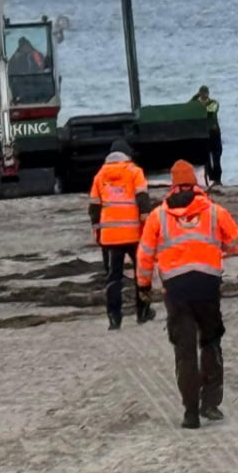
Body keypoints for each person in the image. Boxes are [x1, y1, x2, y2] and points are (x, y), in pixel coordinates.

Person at [137, 160, 238, 429]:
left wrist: (143, 286)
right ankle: (211, 404)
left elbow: (145, 255)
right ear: (195, 183)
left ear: (172, 185)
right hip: (207, 286)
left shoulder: (158, 216)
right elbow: (235, 243)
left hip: (176, 290)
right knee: (210, 343)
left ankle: (191, 413)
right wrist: (215, 250)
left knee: (184, 351)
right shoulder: (215, 211)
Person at [89, 139, 154, 330]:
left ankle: (114, 318)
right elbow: (143, 201)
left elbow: (94, 208)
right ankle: (143, 311)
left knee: (113, 277)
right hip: (134, 234)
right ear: (127, 154)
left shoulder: (100, 175)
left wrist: (97, 230)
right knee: (142, 274)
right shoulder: (135, 172)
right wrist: (147, 227)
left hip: (110, 236)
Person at [190, 85, 221, 186]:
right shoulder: (195, 103)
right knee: (206, 159)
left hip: (214, 134)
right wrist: (194, 98)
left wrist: (198, 105)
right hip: (203, 134)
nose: (204, 95)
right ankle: (210, 179)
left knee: (216, 157)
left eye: (206, 93)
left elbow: (208, 110)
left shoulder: (213, 103)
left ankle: (217, 179)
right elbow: (187, 108)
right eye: (202, 93)